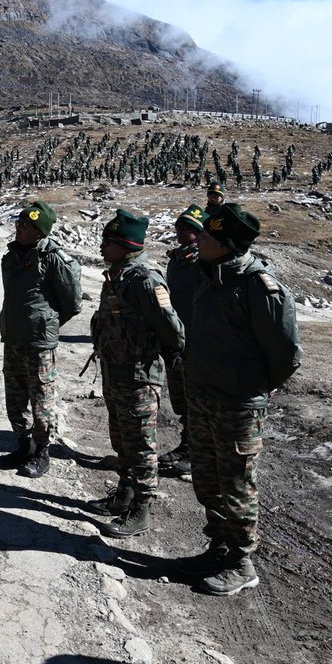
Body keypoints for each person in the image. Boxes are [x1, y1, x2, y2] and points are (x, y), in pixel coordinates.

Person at [182, 203, 302, 596]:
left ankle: (241, 562)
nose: (198, 239)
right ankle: (218, 547)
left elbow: (285, 353)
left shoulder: (259, 287)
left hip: (238, 406)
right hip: (203, 398)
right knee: (208, 481)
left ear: (228, 245)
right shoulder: (209, 277)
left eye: (208, 237)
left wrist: (256, 388)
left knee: (236, 485)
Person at [88, 209, 184, 537]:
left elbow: (172, 330)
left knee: (142, 445)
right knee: (122, 440)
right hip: (115, 372)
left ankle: (141, 509)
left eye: (108, 242)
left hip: (139, 377)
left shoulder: (145, 279)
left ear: (125, 245)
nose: (101, 247)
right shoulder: (118, 275)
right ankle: (124, 494)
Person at [0, 200, 83, 478]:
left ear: (39, 232)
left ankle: (42, 451)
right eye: (18, 223)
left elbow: (72, 303)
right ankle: (24, 444)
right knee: (15, 397)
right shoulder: (10, 258)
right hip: (13, 339)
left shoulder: (55, 259)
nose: (18, 228)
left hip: (39, 344)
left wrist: (47, 324)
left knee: (42, 400)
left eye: (25, 225)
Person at [159, 204, 206, 472]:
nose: (180, 231)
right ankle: (187, 444)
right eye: (179, 226)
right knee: (180, 397)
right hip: (175, 338)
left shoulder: (205, 261)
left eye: (187, 228)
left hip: (197, 340)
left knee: (195, 398)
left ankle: (197, 453)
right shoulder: (176, 258)